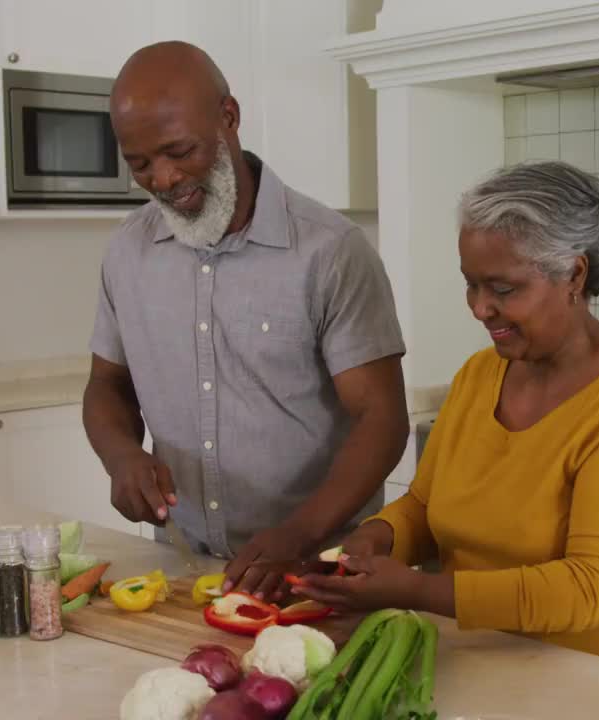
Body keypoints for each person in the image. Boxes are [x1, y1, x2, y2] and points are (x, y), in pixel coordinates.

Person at [293, 161, 599, 668]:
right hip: (473, 660)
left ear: (574, 274)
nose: (479, 308)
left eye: (503, 289)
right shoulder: (480, 375)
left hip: (594, 686)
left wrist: (422, 590)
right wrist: (378, 539)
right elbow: (425, 506)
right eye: (471, 285)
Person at [83, 41, 410, 600]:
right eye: (139, 164)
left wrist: (301, 533)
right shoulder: (127, 251)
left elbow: (382, 419)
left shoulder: (330, 250)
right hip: (184, 569)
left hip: (317, 571)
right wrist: (121, 456)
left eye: (179, 152)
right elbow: (107, 385)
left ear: (228, 118)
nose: (162, 179)